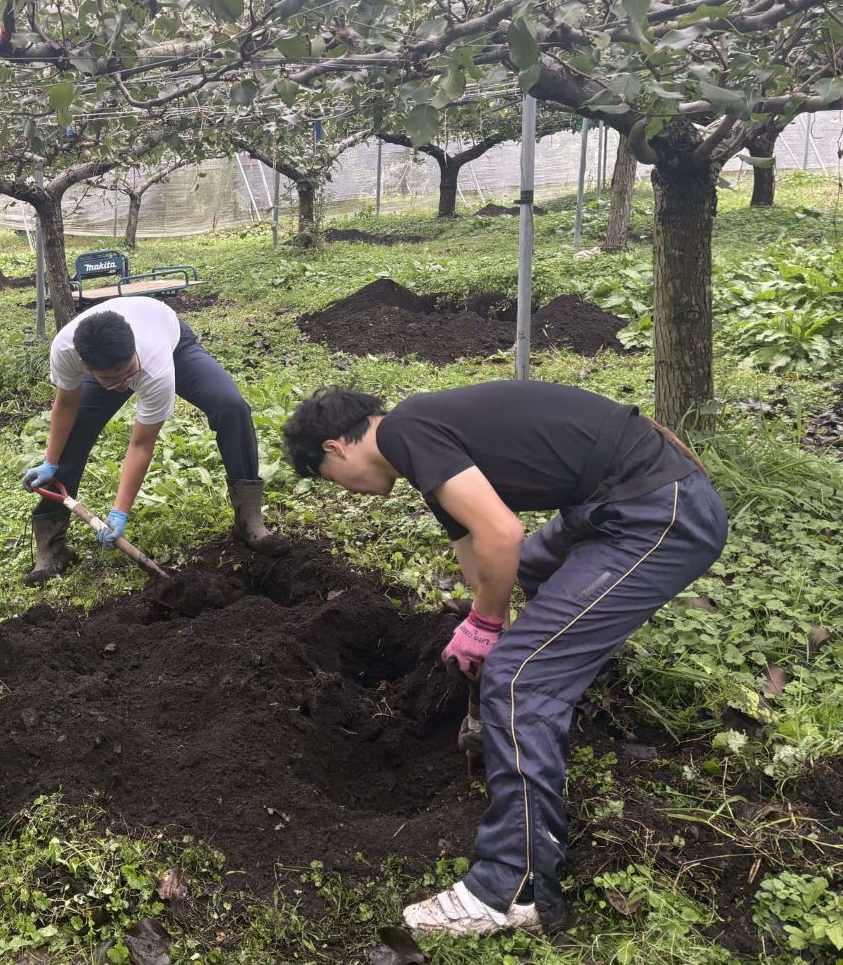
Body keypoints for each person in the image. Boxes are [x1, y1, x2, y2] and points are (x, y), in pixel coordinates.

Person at [280, 381, 724, 938]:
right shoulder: (420, 449)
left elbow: (503, 532)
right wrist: (484, 633)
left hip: (658, 513)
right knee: (533, 583)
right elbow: (481, 559)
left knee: (523, 679)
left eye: (333, 484)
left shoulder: (407, 430)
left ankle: (511, 890)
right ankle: (551, 688)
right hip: (615, 504)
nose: (348, 492)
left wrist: (492, 636)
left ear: (334, 449)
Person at [21, 296, 290, 586]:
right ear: (85, 365)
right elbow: (65, 408)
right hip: (115, 356)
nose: (125, 384)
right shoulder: (66, 349)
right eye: (114, 379)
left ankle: (249, 520)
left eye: (128, 374)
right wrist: (50, 462)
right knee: (71, 437)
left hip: (171, 341)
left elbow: (141, 444)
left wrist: (119, 512)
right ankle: (52, 548)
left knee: (231, 406)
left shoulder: (153, 366)